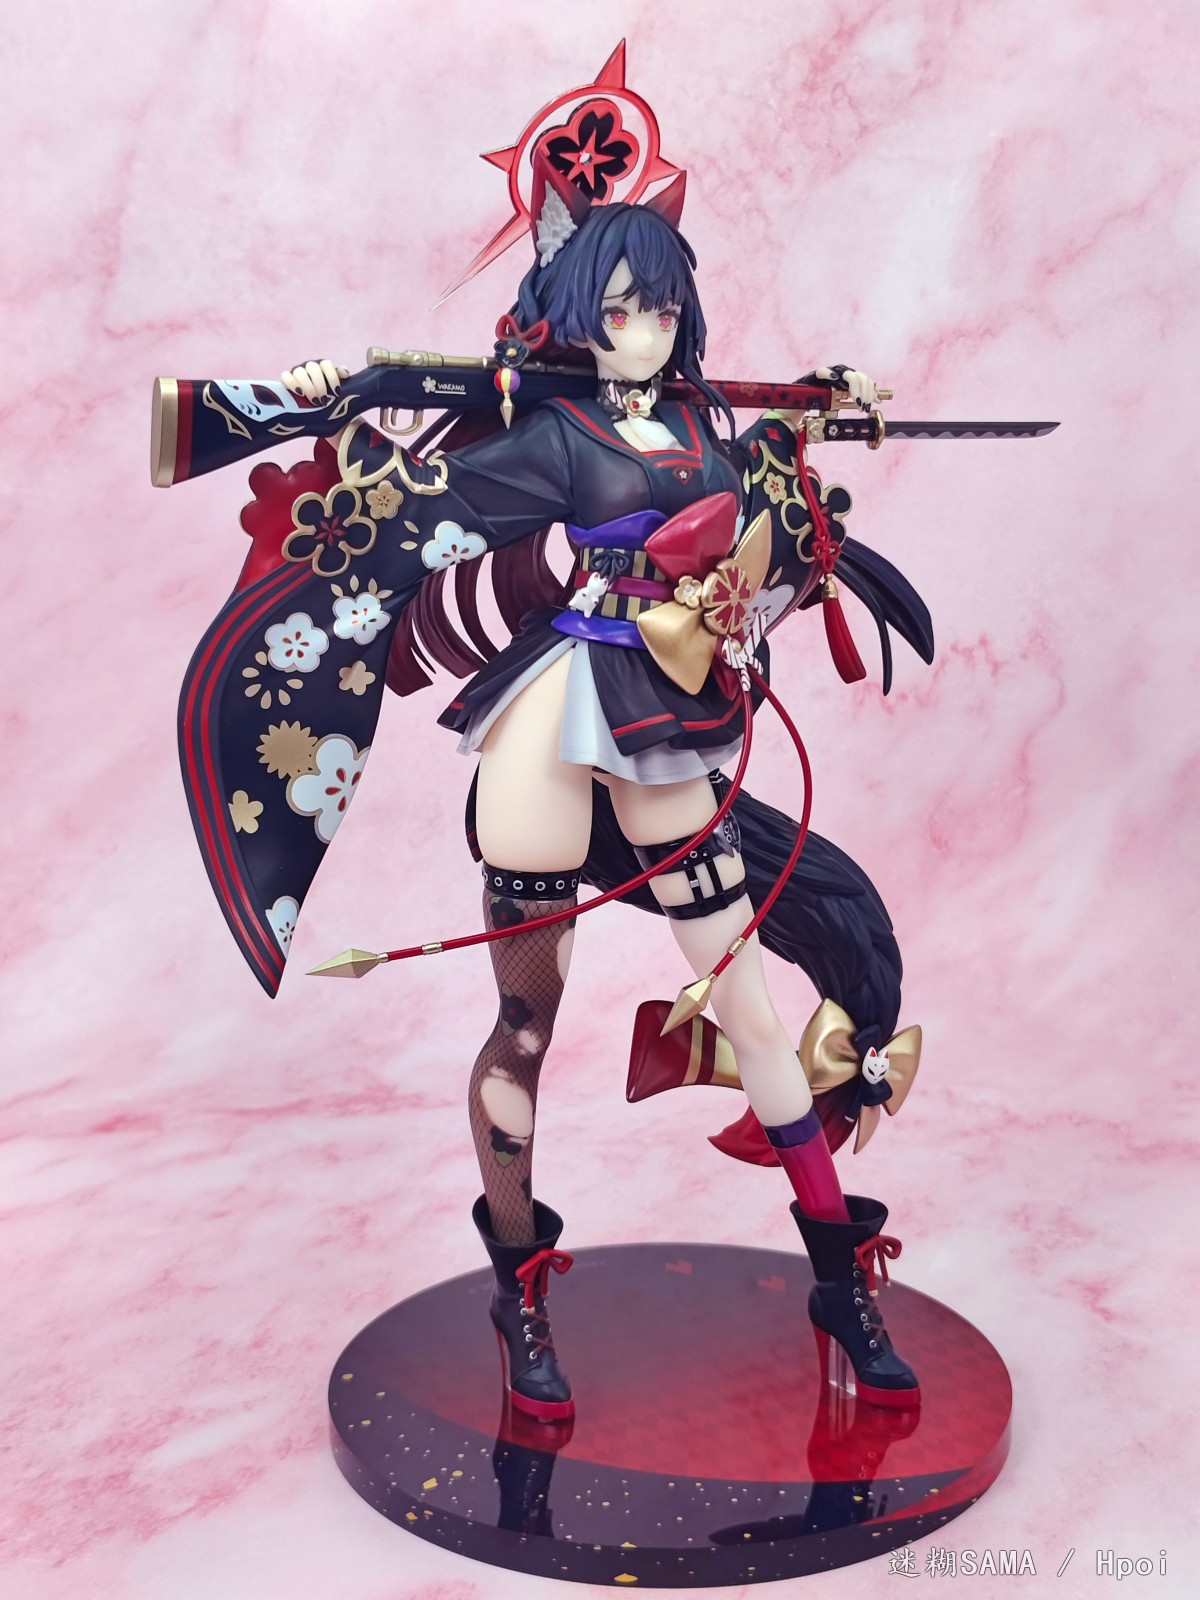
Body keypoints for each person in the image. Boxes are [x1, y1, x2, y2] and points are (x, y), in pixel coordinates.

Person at [180, 153, 933, 1427]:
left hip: (668, 721)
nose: (641, 330)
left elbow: (774, 527)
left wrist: (818, 416)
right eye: (617, 308)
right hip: (553, 711)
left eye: (660, 307)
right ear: (578, 316)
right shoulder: (550, 437)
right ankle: (518, 1285)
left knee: (751, 1010)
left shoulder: (705, 433)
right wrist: (330, 410)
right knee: (526, 1026)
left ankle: (837, 1275)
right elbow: (412, 508)